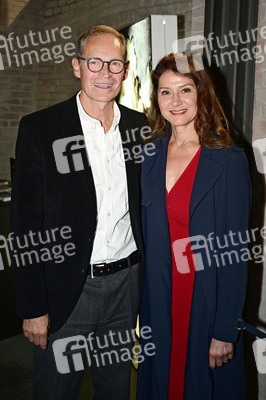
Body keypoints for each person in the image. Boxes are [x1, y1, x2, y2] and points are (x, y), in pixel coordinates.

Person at [11, 25, 148, 400]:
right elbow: (25, 226)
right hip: (68, 290)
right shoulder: (41, 129)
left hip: (127, 286)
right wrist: (34, 307)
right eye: (94, 62)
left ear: (125, 69)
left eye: (114, 64)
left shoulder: (140, 128)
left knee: (117, 390)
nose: (105, 72)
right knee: (56, 390)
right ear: (77, 66)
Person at [137, 54, 251, 400]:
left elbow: (235, 253)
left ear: (202, 93)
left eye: (185, 90)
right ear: (155, 98)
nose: (176, 102)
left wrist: (225, 329)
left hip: (204, 301)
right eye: (165, 92)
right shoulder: (147, 155)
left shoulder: (229, 159)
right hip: (157, 301)